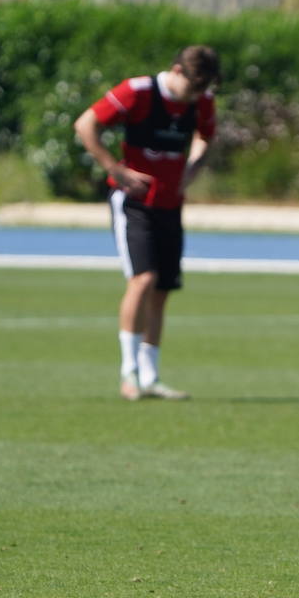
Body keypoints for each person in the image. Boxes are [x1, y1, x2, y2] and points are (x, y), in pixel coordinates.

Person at [74, 45, 219, 401]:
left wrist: (194, 167)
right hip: (135, 203)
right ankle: (129, 373)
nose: (194, 99)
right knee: (143, 279)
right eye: (191, 90)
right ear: (177, 71)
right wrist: (115, 169)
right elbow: (85, 123)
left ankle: (151, 376)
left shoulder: (201, 100)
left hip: (171, 203)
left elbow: (205, 135)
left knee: (162, 291)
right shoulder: (138, 91)